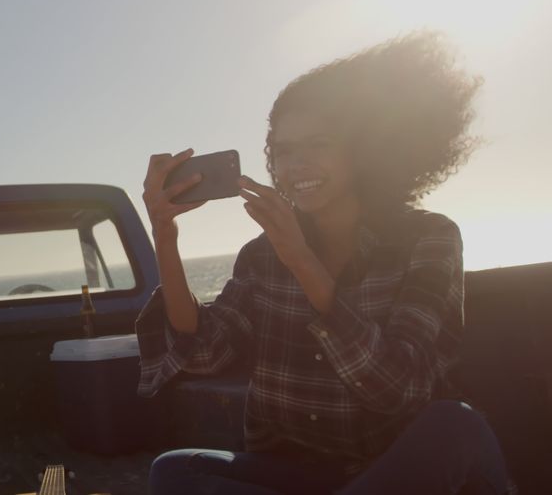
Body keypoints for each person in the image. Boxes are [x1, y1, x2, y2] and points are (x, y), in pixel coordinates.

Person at [137, 32, 514, 494]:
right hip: (297, 472)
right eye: (285, 150)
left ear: (363, 150)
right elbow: (203, 352)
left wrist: (300, 258)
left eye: (318, 145)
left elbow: (397, 387)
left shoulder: (429, 238)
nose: (297, 165)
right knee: (175, 471)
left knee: (455, 426)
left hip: (396, 467)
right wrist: (165, 236)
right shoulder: (261, 254)